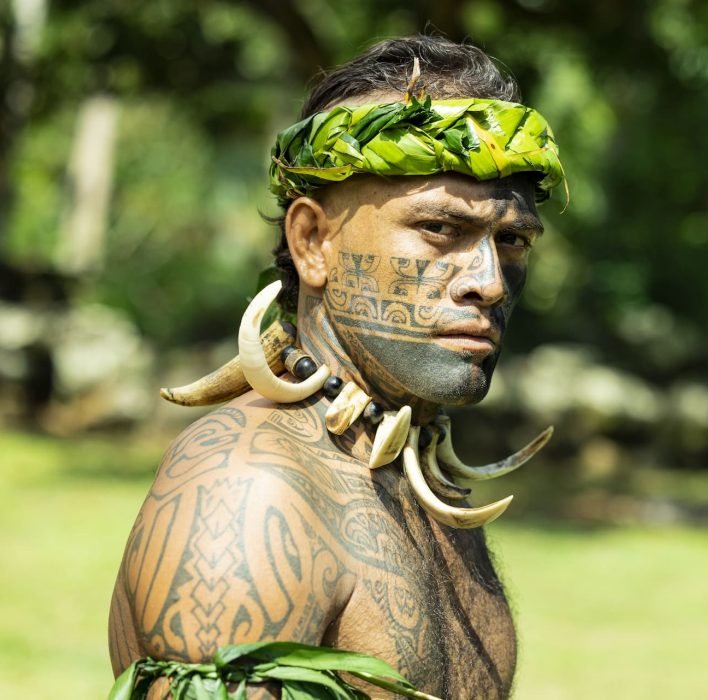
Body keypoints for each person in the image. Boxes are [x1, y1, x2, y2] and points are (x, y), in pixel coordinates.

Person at [108, 35, 565, 699]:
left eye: (513, 240)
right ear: (313, 241)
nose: (488, 282)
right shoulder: (251, 491)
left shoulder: (400, 463)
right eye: (440, 229)